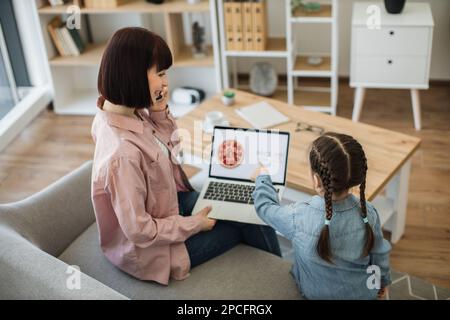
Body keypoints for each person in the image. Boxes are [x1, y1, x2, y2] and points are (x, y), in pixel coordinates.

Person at [91, 27, 281, 285]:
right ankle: (279, 278)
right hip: (154, 253)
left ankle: (273, 271)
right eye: (160, 73)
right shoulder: (122, 154)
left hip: (170, 205)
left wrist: (158, 112)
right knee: (249, 219)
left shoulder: (118, 112)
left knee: (247, 201)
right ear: (134, 76)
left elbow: (171, 150)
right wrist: (194, 225)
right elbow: (140, 231)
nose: (166, 81)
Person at [251, 132, 391, 299]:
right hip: (362, 293)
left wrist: (262, 178)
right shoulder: (369, 212)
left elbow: (265, 207)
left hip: (316, 294)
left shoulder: (298, 216)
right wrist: (382, 282)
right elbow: (379, 255)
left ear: (317, 181)